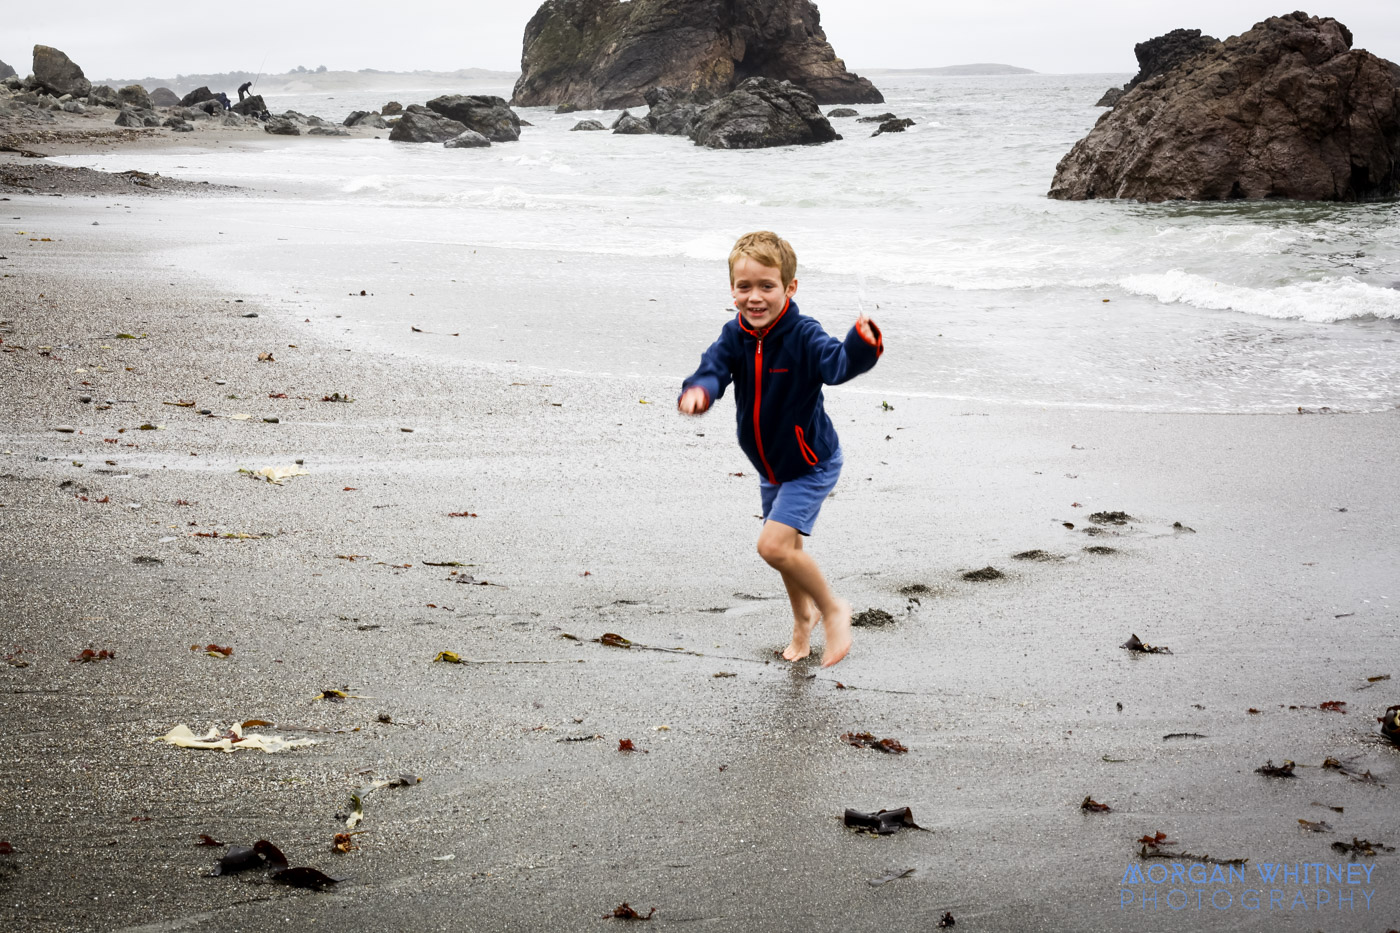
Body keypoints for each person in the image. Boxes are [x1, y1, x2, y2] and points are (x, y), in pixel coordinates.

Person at [678, 231, 883, 667]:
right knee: (789, 554)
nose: (754, 297)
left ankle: (833, 610)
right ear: (732, 289)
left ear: (790, 288)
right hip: (771, 466)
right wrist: (700, 390)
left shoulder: (803, 334)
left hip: (811, 463)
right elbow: (712, 369)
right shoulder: (734, 335)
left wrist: (861, 346)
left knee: (772, 547)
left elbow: (837, 364)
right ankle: (802, 622)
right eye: (744, 286)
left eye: (766, 286)